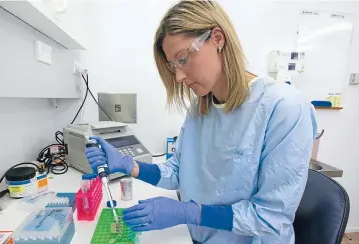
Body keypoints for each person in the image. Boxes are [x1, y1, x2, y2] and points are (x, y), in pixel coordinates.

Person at [85, 1, 317, 243]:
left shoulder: (283, 108)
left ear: (217, 38)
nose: (178, 76)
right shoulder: (201, 107)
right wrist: (129, 165)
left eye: (183, 59)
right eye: (173, 65)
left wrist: (190, 212)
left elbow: (271, 218)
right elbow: (178, 171)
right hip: (197, 236)